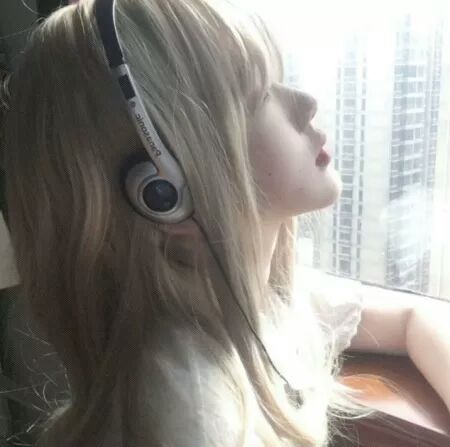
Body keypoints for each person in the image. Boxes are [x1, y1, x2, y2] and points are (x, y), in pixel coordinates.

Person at [0, 0, 448, 446]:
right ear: (165, 191)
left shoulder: (256, 303)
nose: (306, 104)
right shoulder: (191, 418)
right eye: (259, 96)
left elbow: (410, 317)